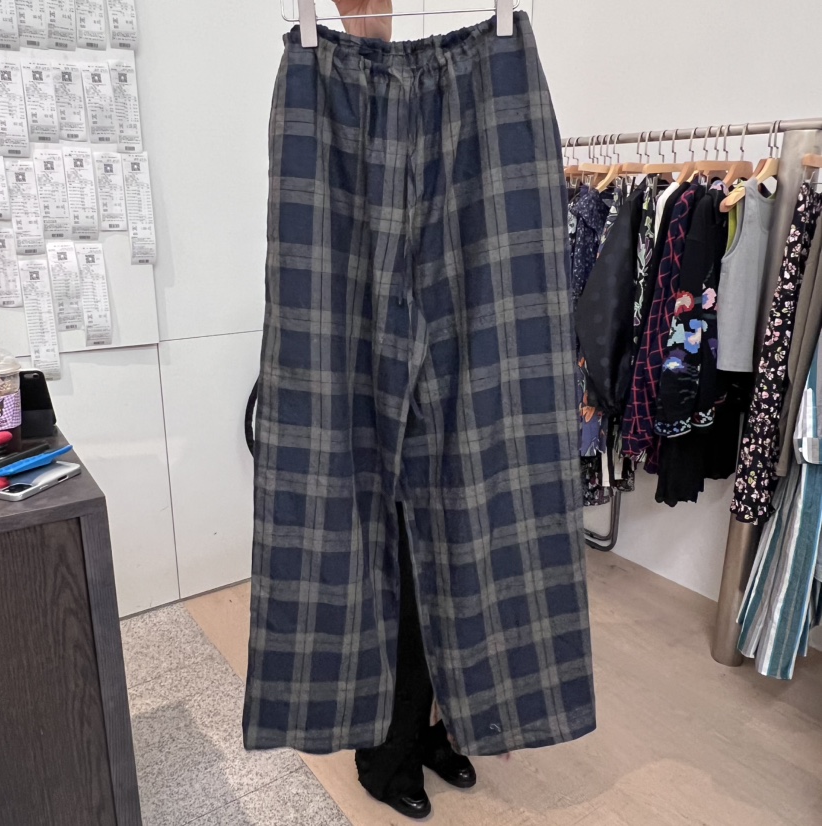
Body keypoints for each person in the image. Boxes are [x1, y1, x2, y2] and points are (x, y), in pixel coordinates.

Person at [325, 11, 477, 819]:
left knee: (468, 526)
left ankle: (440, 725)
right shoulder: (344, 83)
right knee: (392, 546)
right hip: (350, 124)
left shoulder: (472, 89)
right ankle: (386, 747)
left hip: (466, 99)